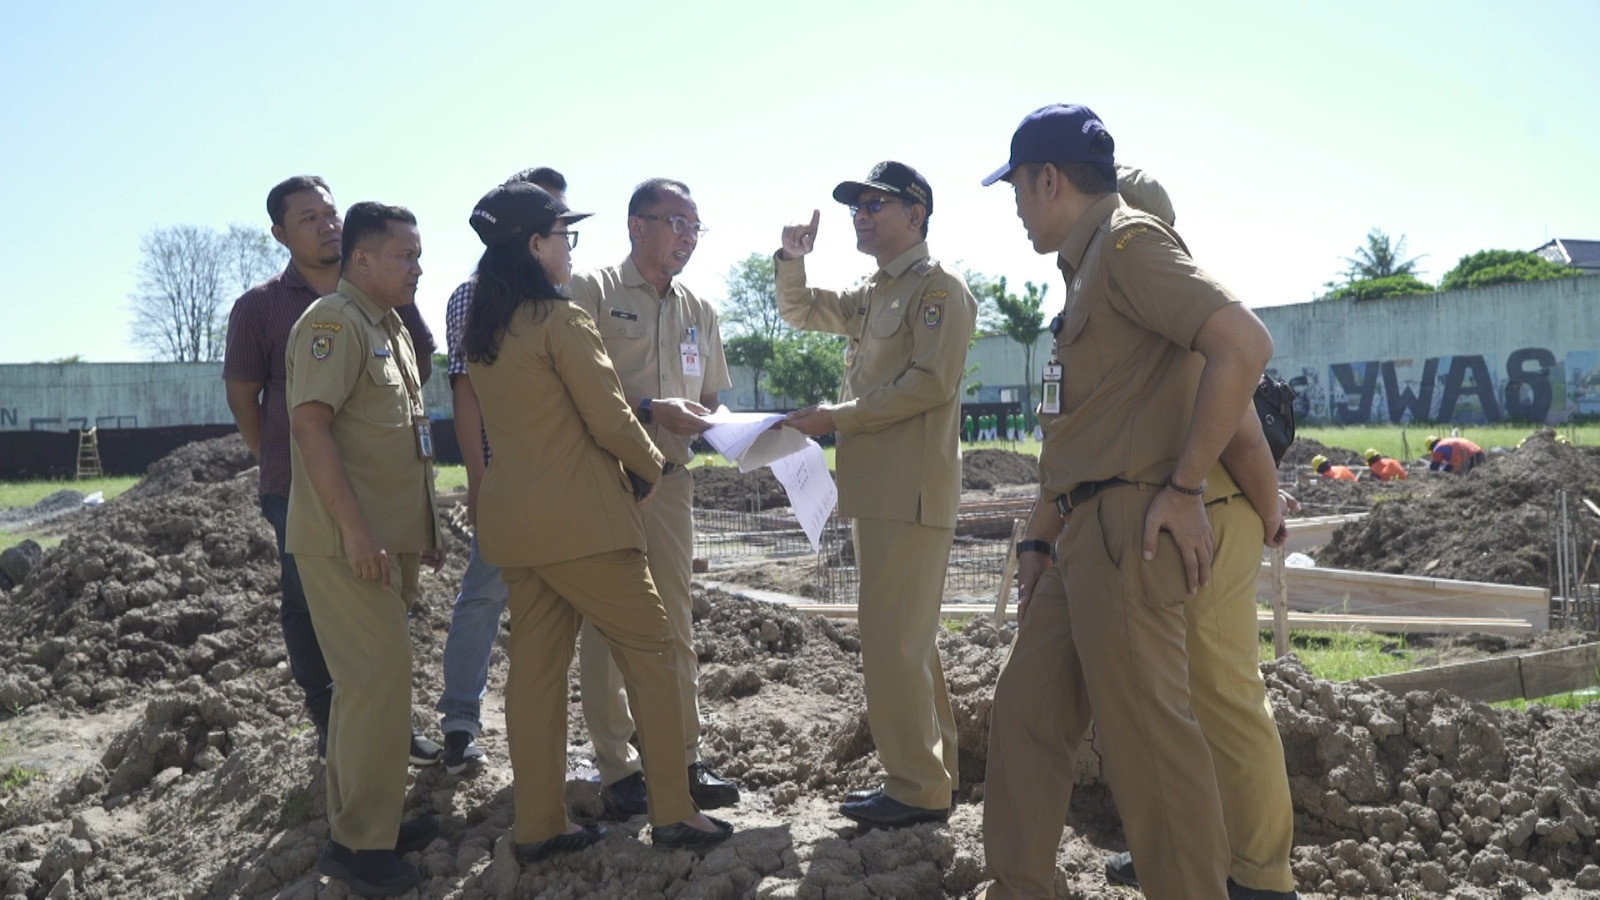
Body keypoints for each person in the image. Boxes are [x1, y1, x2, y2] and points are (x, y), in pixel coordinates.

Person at [978, 104, 1275, 900]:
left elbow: (1243, 343)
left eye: (1015, 186)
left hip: (1128, 533)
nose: (1012, 205)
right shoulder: (1086, 270)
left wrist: (1182, 489)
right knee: (1026, 715)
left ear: (1049, 179)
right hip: (1081, 531)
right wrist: (1040, 540)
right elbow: (1080, 429)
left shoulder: (1130, 243)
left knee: (1150, 750)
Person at [461, 180, 733, 860]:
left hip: (519, 527)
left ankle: (538, 823)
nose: (568, 250)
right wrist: (646, 468)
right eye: (562, 237)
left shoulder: (486, 329)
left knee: (536, 675)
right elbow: (608, 415)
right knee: (655, 649)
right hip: (585, 522)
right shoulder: (562, 321)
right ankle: (673, 809)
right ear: (535, 245)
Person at [1099, 166, 1300, 899]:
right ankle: (1193, 851)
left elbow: (1245, 439)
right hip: (1176, 529)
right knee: (1180, 702)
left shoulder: (1177, 315)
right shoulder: (1132, 315)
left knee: (1224, 697)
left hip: (1212, 522)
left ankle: (1262, 873)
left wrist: (1271, 512)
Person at [776, 160, 977, 828]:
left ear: (915, 214)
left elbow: (930, 383)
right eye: (855, 207)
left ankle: (915, 786)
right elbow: (801, 309)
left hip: (911, 497)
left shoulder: (938, 292)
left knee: (892, 643)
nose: (860, 216)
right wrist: (791, 258)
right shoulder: (872, 294)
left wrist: (841, 416)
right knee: (907, 642)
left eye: (875, 205)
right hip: (881, 494)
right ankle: (932, 775)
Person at [222, 175, 442, 768]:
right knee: (308, 603)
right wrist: (274, 457)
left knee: (379, 629)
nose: (326, 225)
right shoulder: (262, 306)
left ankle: (381, 729)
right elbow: (246, 395)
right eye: (308, 218)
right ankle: (331, 722)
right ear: (280, 234)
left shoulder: (386, 300)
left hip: (373, 484)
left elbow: (417, 364)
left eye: (331, 213)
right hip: (299, 485)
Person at [285, 202, 446, 896]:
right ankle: (358, 847)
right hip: (347, 543)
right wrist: (355, 529)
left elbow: (404, 441)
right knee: (378, 682)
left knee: (366, 691)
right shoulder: (332, 323)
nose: (417, 265)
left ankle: (367, 821)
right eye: (405, 255)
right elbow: (311, 428)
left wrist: (424, 532)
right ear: (362, 260)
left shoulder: (392, 330)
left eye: (417, 254)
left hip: (389, 543)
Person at [567, 179, 739, 816]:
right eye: (676, 223)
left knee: (674, 620)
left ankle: (683, 758)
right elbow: (572, 384)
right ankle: (619, 769)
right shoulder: (592, 292)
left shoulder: (700, 310)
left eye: (696, 228)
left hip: (669, 482)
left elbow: (711, 397)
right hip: (604, 480)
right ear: (637, 225)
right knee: (609, 625)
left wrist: (717, 421)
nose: (688, 238)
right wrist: (645, 407)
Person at [436, 166, 570, 776]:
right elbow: (467, 394)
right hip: (509, 474)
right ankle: (461, 721)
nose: (563, 237)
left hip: (565, 474)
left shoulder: (569, 292)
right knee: (486, 591)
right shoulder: (473, 295)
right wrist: (481, 479)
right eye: (553, 224)